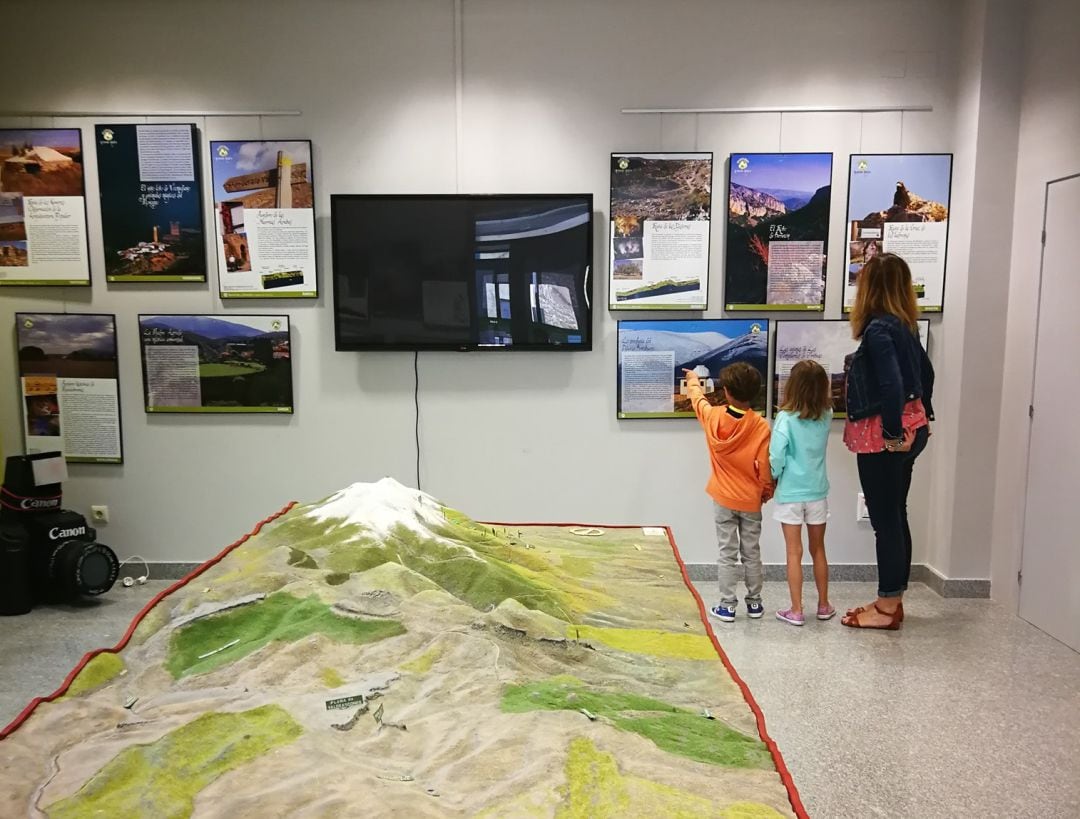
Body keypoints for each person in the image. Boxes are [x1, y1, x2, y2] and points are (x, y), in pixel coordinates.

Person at [841, 252, 935, 630]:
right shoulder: (903, 327)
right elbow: (925, 375)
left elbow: (892, 383)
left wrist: (894, 435)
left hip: (884, 438)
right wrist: (921, 420)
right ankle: (891, 599)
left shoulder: (880, 330)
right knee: (896, 513)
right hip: (913, 431)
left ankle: (886, 607)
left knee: (886, 521)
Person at [684, 362, 773, 623]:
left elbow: (697, 400)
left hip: (723, 498)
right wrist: (765, 492)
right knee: (752, 552)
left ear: (726, 392)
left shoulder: (713, 417)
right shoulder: (760, 426)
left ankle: (727, 606)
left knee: (727, 552)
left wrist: (693, 379)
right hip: (750, 500)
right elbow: (765, 467)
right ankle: (755, 604)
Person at [770, 360, 834, 626]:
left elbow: (776, 455)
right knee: (818, 549)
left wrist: (774, 476)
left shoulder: (785, 418)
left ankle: (796, 610)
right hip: (817, 490)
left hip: (791, 494)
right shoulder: (827, 415)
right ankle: (823, 604)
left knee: (793, 552)